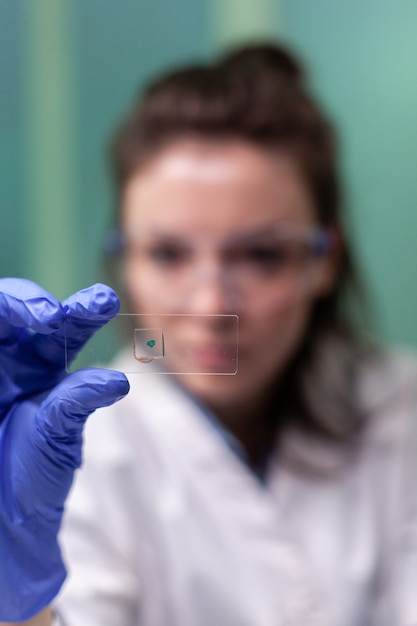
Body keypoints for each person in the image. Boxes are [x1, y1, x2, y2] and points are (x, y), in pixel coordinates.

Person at [1, 42, 416, 626]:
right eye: (168, 253)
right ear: (126, 260)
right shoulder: (69, 448)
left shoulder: (405, 409)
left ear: (326, 259)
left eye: (262, 255)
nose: (211, 305)